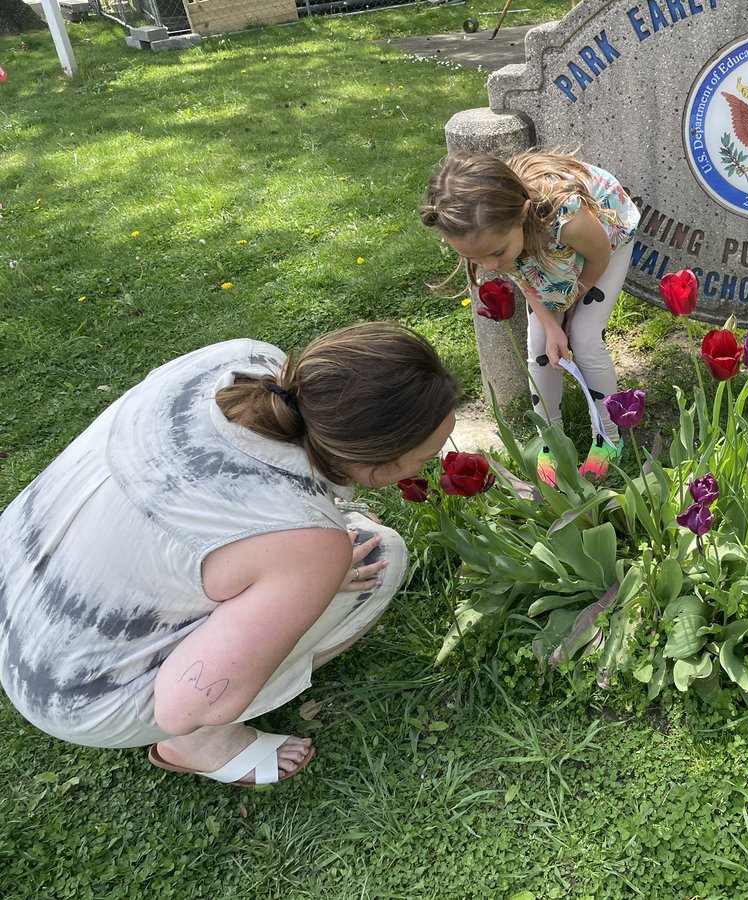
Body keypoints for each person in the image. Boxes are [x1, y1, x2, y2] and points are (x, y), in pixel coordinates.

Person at [0, 323, 459, 786]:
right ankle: (203, 744)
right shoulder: (312, 545)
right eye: (426, 456)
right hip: (72, 691)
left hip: (17, 577)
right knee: (382, 557)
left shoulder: (243, 362)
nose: (432, 464)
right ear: (383, 465)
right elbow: (183, 705)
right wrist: (311, 580)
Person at [421, 149, 640, 486]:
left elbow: (598, 256)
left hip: (607, 238)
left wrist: (572, 301)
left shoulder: (568, 219)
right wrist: (552, 324)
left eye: (495, 254)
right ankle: (550, 438)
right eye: (474, 258)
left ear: (522, 215)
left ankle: (609, 438)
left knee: (584, 337)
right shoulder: (498, 237)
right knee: (540, 346)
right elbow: (523, 277)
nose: (490, 266)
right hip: (541, 248)